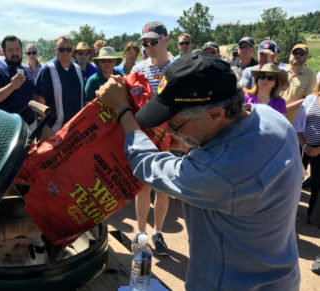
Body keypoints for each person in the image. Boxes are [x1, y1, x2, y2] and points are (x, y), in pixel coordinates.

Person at [96, 52, 302, 290]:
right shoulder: (272, 119)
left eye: (176, 125)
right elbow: (234, 144)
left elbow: (145, 162)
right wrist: (189, 141)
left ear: (215, 113)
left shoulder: (218, 175)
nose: (170, 133)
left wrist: (122, 109)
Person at [130, 21, 173, 256]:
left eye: (153, 42)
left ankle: (158, 232)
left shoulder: (178, 67)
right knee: (142, 188)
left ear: (165, 39)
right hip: (145, 135)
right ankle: (141, 233)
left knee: (163, 188)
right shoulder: (138, 68)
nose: (148, 47)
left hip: (168, 136)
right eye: (145, 43)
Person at [35, 36, 84, 133]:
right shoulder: (47, 69)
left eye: (68, 49)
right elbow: (39, 98)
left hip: (76, 126)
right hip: (55, 129)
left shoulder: (77, 69)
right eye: (61, 49)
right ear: (55, 50)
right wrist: (47, 128)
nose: (65, 53)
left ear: (72, 51)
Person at [0, 35, 35, 127]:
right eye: (10, 50)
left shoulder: (27, 70)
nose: (15, 53)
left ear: (21, 50)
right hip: (8, 128)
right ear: (4, 51)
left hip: (30, 126)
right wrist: (12, 86)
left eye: (17, 49)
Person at [294, 81, 320, 225]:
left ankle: (312, 216)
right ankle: (290, 211)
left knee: (317, 183)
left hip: (319, 150)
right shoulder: (311, 98)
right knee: (295, 180)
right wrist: (304, 145)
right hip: (302, 146)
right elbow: (298, 122)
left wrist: (317, 150)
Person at [280, 44, 317, 124]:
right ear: (290, 55)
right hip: (276, 118)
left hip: (295, 124)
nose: (297, 55)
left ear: (306, 57)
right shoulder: (280, 71)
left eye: (301, 54)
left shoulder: (310, 75)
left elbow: (308, 100)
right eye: (295, 53)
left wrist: (284, 109)